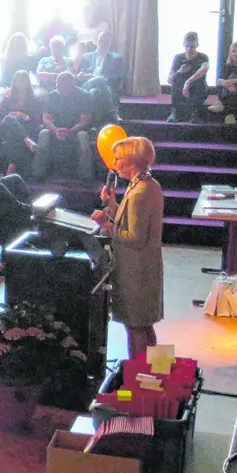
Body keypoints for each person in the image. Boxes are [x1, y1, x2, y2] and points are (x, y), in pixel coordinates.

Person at [93, 138, 165, 360]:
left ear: (131, 162)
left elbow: (135, 238)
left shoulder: (139, 193)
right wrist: (112, 205)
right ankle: (156, 372)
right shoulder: (148, 184)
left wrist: (105, 225)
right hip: (146, 266)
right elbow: (131, 221)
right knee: (145, 325)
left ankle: (138, 374)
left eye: (118, 159)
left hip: (135, 270)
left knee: (135, 327)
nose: (114, 164)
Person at [35, 72, 97, 180]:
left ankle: (85, 175)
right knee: (43, 134)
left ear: (71, 85)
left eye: (60, 84)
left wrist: (70, 131)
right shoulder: (52, 95)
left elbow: (85, 120)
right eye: (57, 83)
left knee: (83, 137)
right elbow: (46, 118)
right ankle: (38, 173)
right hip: (56, 129)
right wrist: (56, 130)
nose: (57, 85)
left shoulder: (84, 96)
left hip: (77, 129)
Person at [167, 31, 211, 123]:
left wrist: (188, 82)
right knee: (176, 80)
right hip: (180, 87)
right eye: (187, 46)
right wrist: (179, 71)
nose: (189, 49)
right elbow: (169, 80)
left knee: (199, 82)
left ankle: (196, 114)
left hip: (197, 86)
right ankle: (175, 112)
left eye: (192, 46)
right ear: (183, 44)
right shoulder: (178, 58)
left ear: (197, 45)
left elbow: (204, 70)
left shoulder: (203, 57)